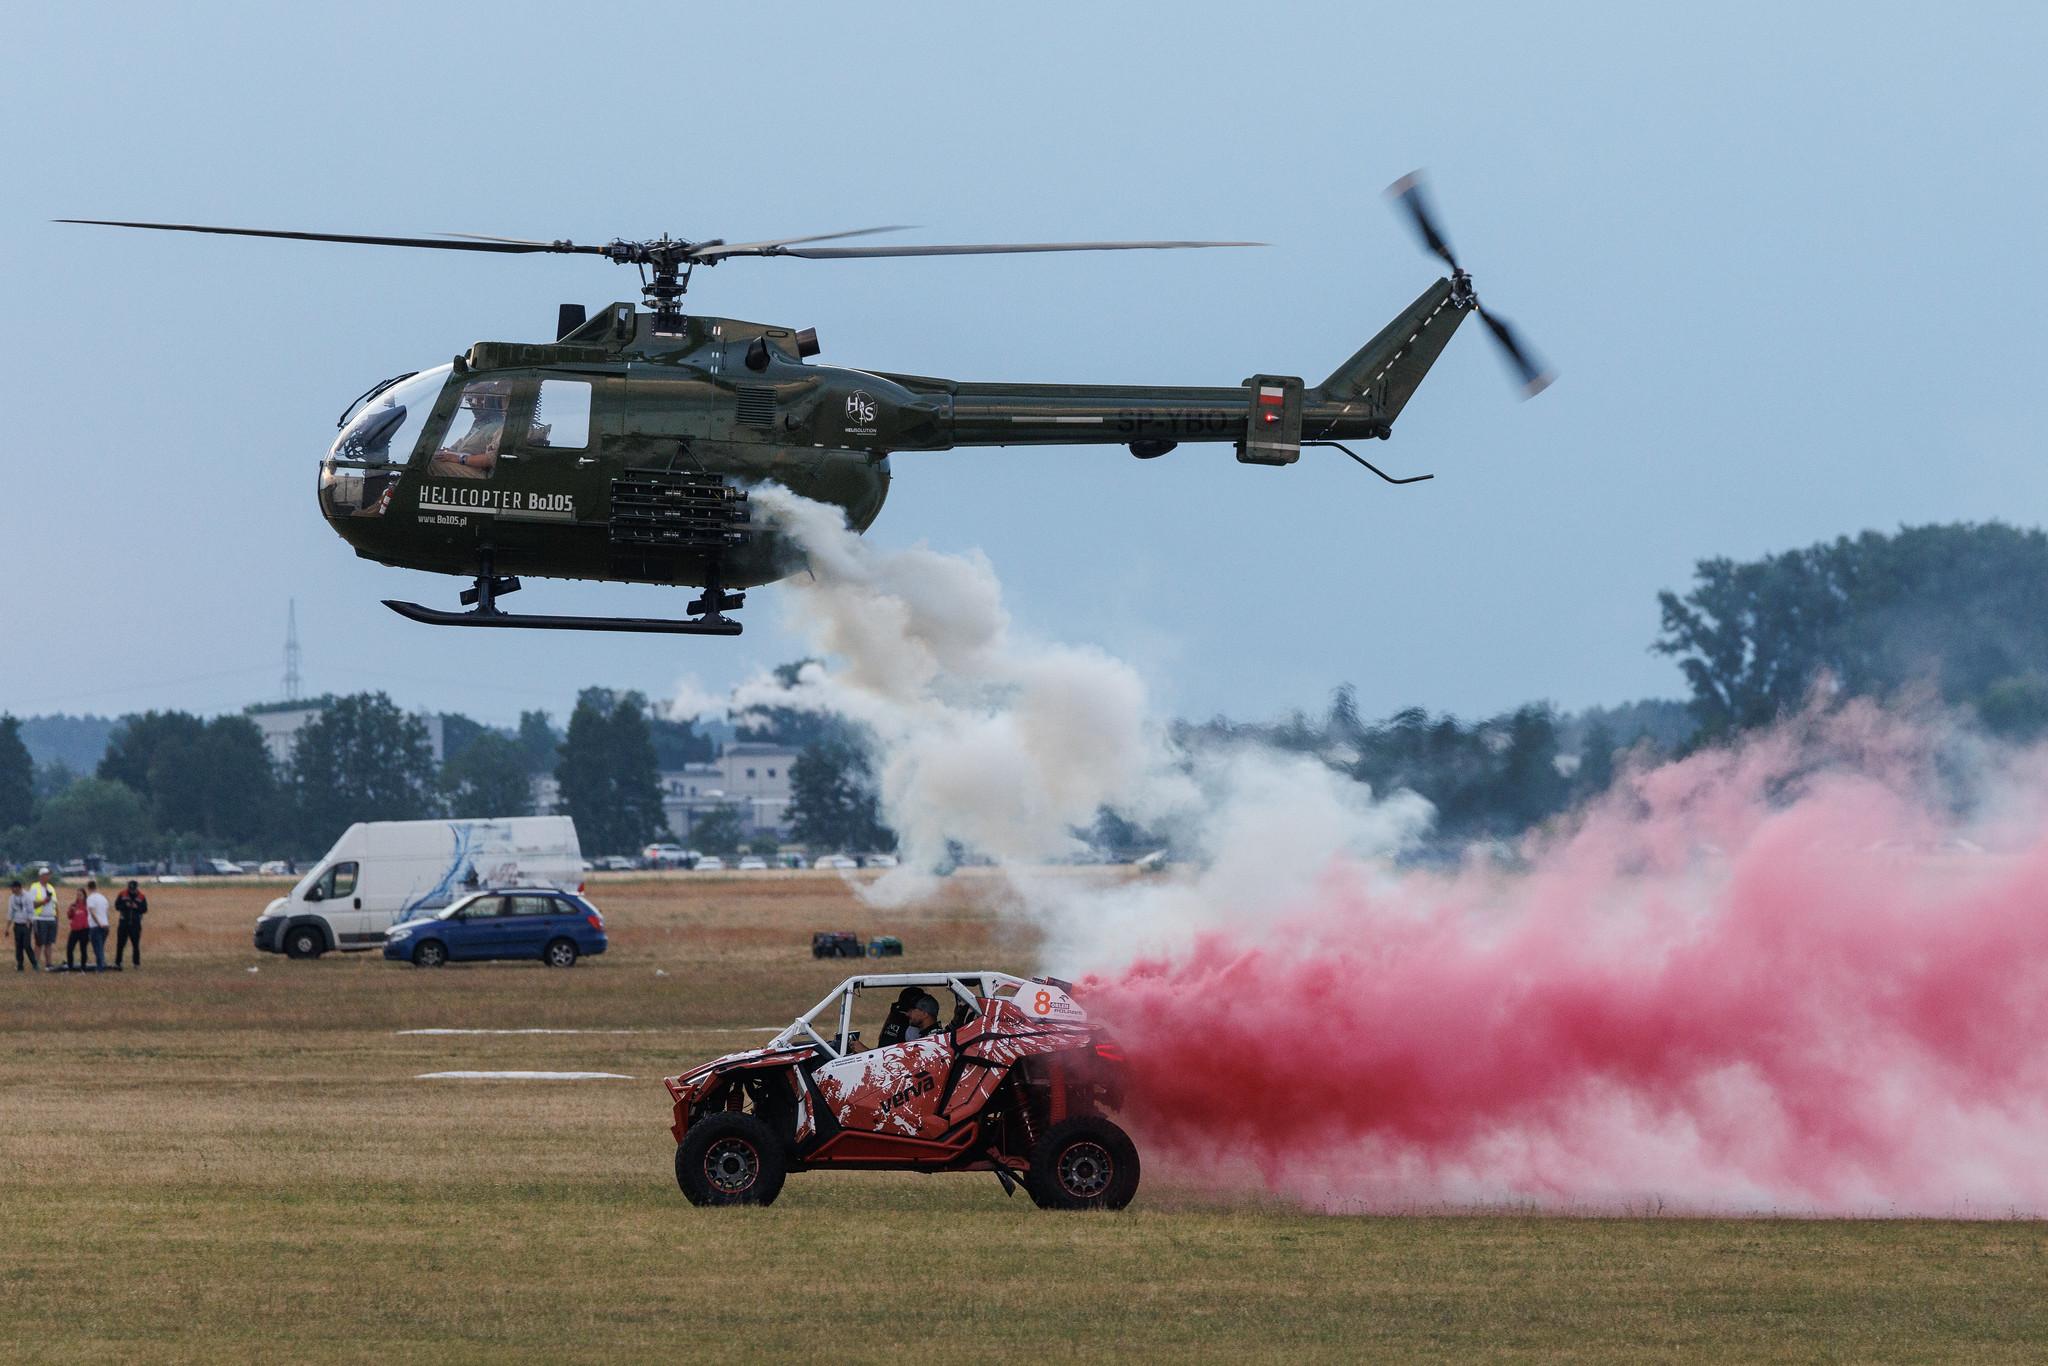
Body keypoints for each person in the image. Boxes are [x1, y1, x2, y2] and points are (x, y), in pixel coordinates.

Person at [30, 868, 60, 971]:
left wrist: (57, 918)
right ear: (41, 876)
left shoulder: (51, 888)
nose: (48, 876)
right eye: (46, 875)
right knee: (39, 943)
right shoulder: (35, 887)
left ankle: (49, 964)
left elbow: (55, 904)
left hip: (51, 918)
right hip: (39, 918)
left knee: (49, 943)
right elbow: (32, 904)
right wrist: (44, 901)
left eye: (49, 874)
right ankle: (36, 964)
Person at [114, 880, 148, 969]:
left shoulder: (141, 896)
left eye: (133, 889)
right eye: (130, 889)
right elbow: (117, 906)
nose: (132, 891)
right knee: (120, 944)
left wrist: (136, 907)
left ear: (136, 888)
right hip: (123, 922)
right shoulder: (122, 894)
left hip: (135, 924)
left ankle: (136, 963)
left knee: (135, 944)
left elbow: (144, 909)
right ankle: (118, 962)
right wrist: (125, 906)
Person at [84, 879, 110, 971]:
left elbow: (92, 912)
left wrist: (99, 923)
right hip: (106, 925)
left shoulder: (90, 898)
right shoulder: (103, 898)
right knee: (101, 947)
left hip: (96, 926)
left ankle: (100, 968)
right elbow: (107, 912)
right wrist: (105, 923)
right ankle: (102, 964)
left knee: (97, 949)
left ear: (88, 888)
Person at [8, 879, 33, 972]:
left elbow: (31, 910)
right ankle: (20, 965)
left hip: (26, 924)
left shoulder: (27, 896)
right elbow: (10, 913)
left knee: (27, 945)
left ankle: (34, 962)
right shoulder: (12, 898)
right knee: (18, 946)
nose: (11, 889)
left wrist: (29, 921)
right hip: (17, 924)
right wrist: (7, 927)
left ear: (18, 888)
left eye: (13, 888)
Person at [64, 889, 90, 971]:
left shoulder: (87, 905)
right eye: (77, 895)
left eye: (80, 895)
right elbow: (69, 916)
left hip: (84, 930)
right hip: (74, 930)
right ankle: (70, 967)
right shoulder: (74, 905)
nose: (79, 897)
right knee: (69, 948)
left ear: (84, 896)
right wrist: (71, 910)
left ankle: (83, 967)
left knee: (83, 949)